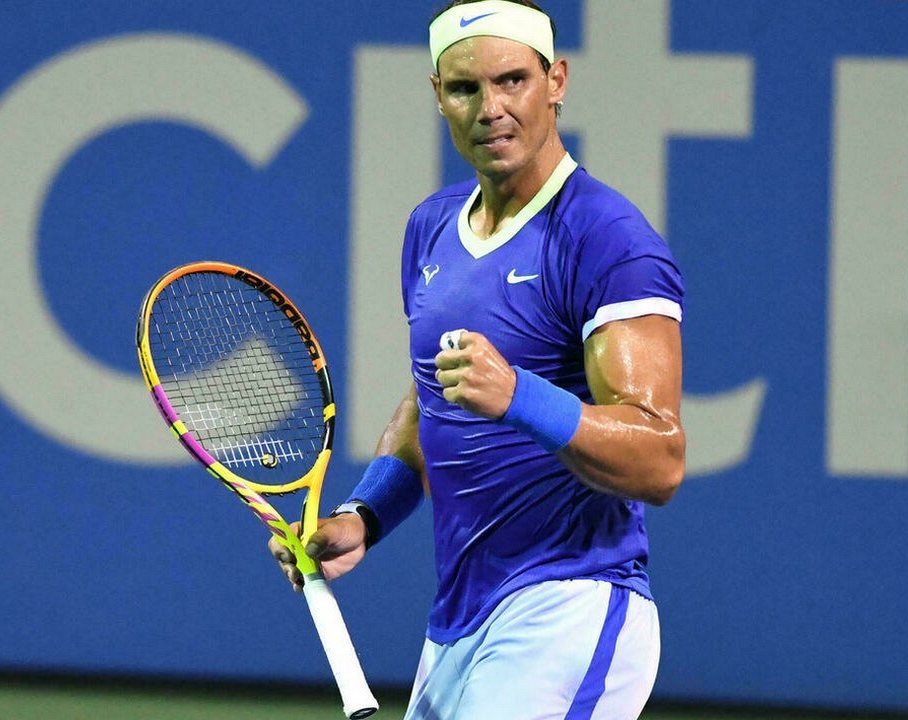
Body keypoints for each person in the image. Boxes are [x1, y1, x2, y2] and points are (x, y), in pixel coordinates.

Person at [271, 1, 686, 716]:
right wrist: (364, 516)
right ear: (439, 95)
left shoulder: (608, 238)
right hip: (460, 622)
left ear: (556, 81)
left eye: (512, 80)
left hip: (570, 606)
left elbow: (660, 458)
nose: (491, 108)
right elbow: (432, 402)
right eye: (466, 88)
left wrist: (519, 395)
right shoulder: (431, 227)